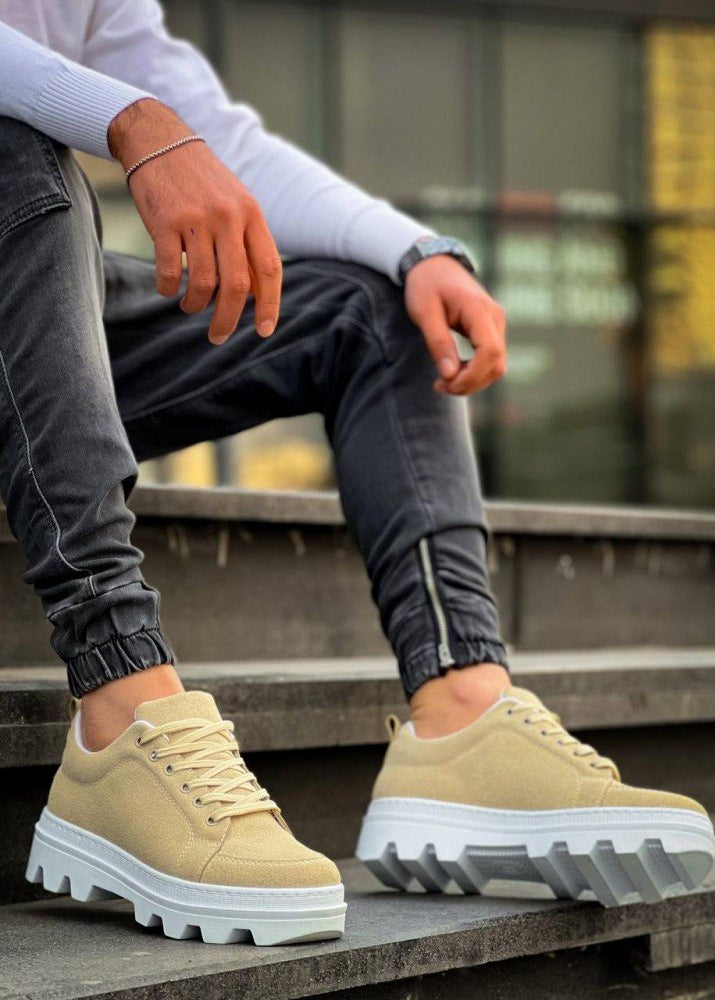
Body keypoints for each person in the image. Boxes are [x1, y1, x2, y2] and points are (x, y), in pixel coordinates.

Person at [2, 0, 713, 947]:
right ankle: (121, 700)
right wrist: (135, 123)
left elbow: (222, 145)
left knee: (376, 305)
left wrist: (418, 251)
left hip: (48, 330)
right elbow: (142, 123)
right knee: (17, 147)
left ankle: (460, 712)